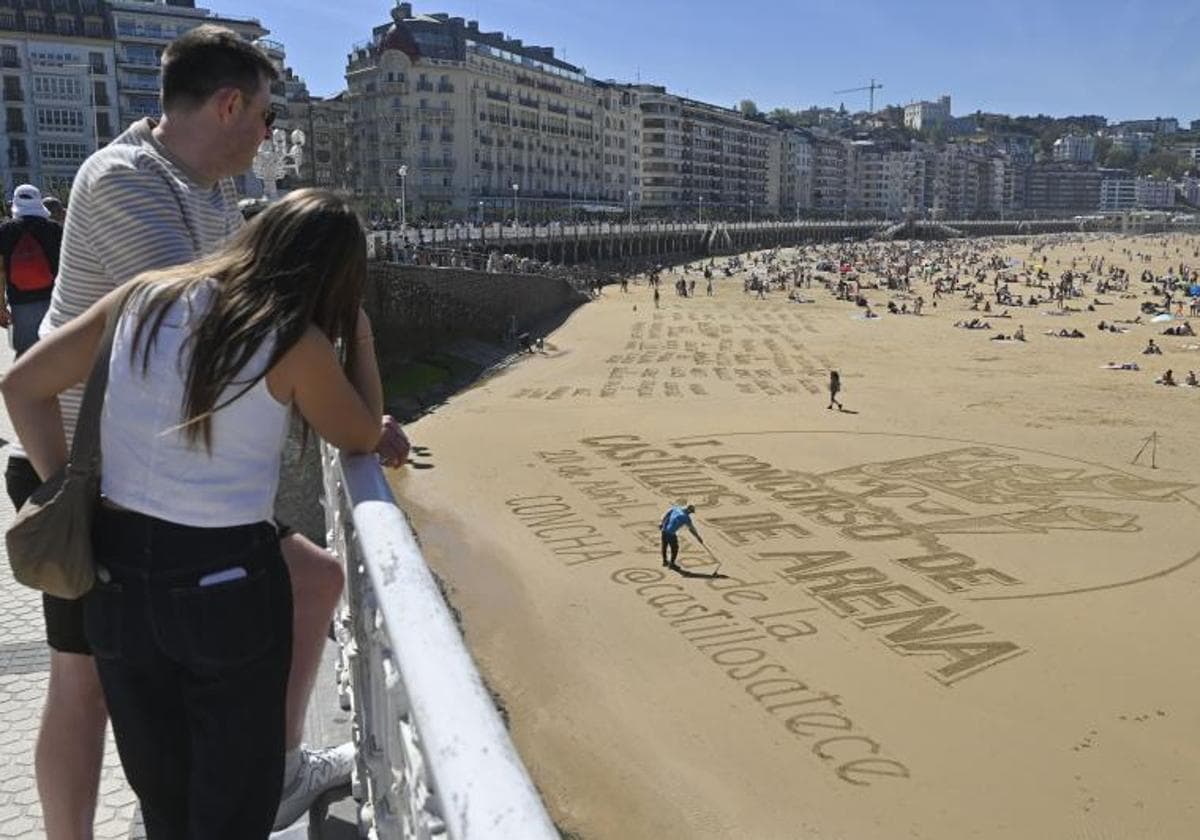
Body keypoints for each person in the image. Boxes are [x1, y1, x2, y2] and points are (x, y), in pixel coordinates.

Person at [32, 26, 388, 836]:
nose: (271, 135)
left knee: (314, 580)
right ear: (230, 104)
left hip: (173, 475)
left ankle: (278, 770)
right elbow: (209, 336)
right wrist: (67, 492)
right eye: (267, 118)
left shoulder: (209, 188)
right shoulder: (128, 181)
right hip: (91, 472)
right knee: (83, 684)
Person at [0, 184, 63, 357]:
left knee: (25, 354)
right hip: (51, 300)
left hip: (20, 302)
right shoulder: (55, 229)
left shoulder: (5, 231)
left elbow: (1, 272)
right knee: (52, 351)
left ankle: (25, 382)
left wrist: (1, 306)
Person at [660, 504, 703, 569]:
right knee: (675, 548)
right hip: (671, 533)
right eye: (690, 512)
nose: (690, 514)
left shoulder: (676, 508)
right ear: (688, 510)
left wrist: (662, 523)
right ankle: (672, 564)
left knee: (664, 546)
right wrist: (698, 537)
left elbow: (666, 515)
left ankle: (664, 561)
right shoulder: (685, 517)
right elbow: (691, 529)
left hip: (664, 530)